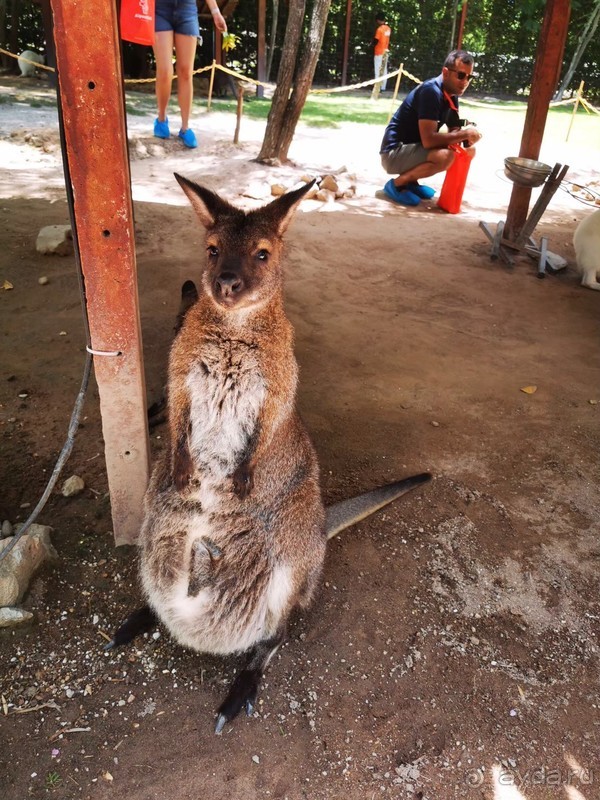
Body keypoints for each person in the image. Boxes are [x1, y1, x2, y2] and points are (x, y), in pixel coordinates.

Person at [379, 49, 482, 206]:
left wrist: (466, 138)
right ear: (445, 72)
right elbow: (429, 140)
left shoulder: (451, 95)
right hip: (392, 154)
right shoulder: (431, 91)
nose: (465, 81)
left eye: (469, 77)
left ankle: (411, 183)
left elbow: (454, 129)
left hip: (410, 150)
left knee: (463, 151)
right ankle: (397, 184)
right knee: (445, 157)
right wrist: (463, 134)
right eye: (461, 75)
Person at [153, 0, 227, 149]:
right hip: (160, 9)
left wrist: (216, 12)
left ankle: (185, 127)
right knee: (165, 70)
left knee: (186, 72)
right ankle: (161, 119)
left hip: (187, 10)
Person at [372, 12, 391, 92]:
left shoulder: (379, 29)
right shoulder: (388, 29)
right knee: (384, 70)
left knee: (378, 70)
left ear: (378, 20)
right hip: (385, 51)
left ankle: (377, 87)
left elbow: (376, 40)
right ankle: (383, 87)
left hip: (379, 52)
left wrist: (371, 45)